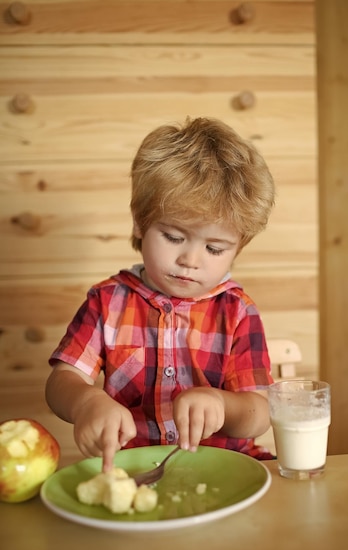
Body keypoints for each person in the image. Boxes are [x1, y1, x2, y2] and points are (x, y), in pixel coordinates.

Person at [45, 116, 275, 472]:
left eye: (214, 249)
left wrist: (221, 404)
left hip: (228, 470)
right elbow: (63, 380)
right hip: (132, 471)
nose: (190, 260)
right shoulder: (107, 302)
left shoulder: (237, 311)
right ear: (140, 221)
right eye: (173, 237)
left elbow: (258, 413)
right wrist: (86, 402)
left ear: (238, 247)